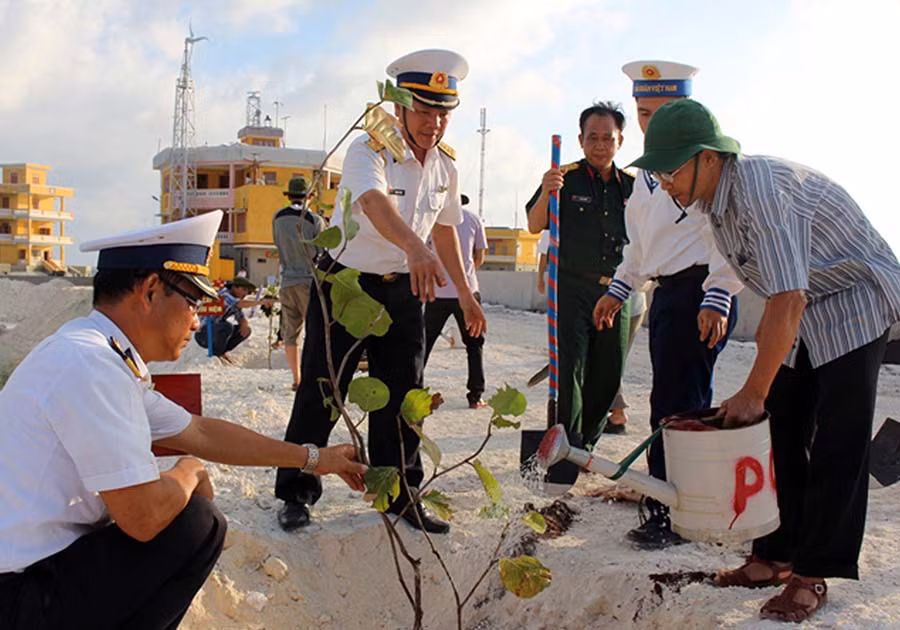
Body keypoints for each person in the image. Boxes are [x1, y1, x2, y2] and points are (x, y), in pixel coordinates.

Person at [0, 211, 366, 629]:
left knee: (185, 515)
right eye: (192, 302)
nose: (196, 320)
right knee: (197, 524)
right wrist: (188, 472)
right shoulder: (92, 365)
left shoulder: (97, 354)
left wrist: (315, 458)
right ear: (150, 291)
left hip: (32, 577)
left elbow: (201, 431)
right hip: (18, 595)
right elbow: (142, 518)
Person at [629, 98, 900, 622]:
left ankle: (813, 573)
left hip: (855, 297)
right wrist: (760, 391)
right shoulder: (714, 204)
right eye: (658, 172)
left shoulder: (760, 192)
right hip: (810, 306)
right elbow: (772, 288)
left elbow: (787, 298)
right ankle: (775, 556)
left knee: (838, 439)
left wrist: (753, 391)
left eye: (671, 169)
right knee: (781, 427)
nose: (664, 182)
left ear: (709, 158)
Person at [275, 49, 487, 535]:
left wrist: (467, 294)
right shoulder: (368, 150)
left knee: (404, 396)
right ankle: (295, 492)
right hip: (347, 284)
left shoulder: (445, 166)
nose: (434, 124)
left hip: (404, 289)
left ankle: (399, 495)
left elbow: (446, 230)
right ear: (400, 107)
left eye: (443, 114)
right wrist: (414, 247)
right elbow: (372, 202)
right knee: (324, 390)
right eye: (425, 111)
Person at [592, 61, 744, 549]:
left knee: (680, 407)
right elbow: (639, 246)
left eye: (661, 112)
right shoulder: (645, 177)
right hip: (668, 296)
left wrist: (719, 294)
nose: (650, 122)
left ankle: (676, 512)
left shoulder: (703, 166)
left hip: (700, 294)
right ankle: (676, 501)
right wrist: (620, 289)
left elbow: (726, 234)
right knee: (672, 402)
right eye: (643, 112)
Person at [525, 101, 634, 453]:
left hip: (616, 291)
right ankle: (566, 443)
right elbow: (534, 224)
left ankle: (585, 443)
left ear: (620, 141)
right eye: (592, 137)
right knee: (570, 367)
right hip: (571, 288)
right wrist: (547, 191)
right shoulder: (564, 178)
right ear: (581, 140)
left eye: (607, 138)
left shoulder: (633, 188)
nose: (600, 145)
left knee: (608, 374)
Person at [423, 193, 488, 408]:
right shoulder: (473, 219)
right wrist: (463, 276)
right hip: (467, 292)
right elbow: (479, 257)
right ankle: (475, 396)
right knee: (474, 345)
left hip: (438, 291)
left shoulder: (433, 219)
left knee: (424, 343)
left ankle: (412, 388)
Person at [273, 176, 325, 390]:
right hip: (308, 280)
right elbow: (323, 251)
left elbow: (277, 243)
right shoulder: (314, 220)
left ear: (289, 196)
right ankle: (313, 376)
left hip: (286, 280)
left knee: (291, 333)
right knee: (315, 331)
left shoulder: (277, 217)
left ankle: (297, 378)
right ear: (309, 197)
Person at [194, 276, 274, 363]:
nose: (245, 294)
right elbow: (240, 304)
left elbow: (240, 316)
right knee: (227, 327)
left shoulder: (234, 301)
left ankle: (222, 351)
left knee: (245, 331)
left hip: (216, 331)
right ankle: (217, 353)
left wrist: (244, 323)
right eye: (244, 290)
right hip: (204, 333)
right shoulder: (224, 294)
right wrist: (261, 302)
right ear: (234, 287)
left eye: (247, 291)